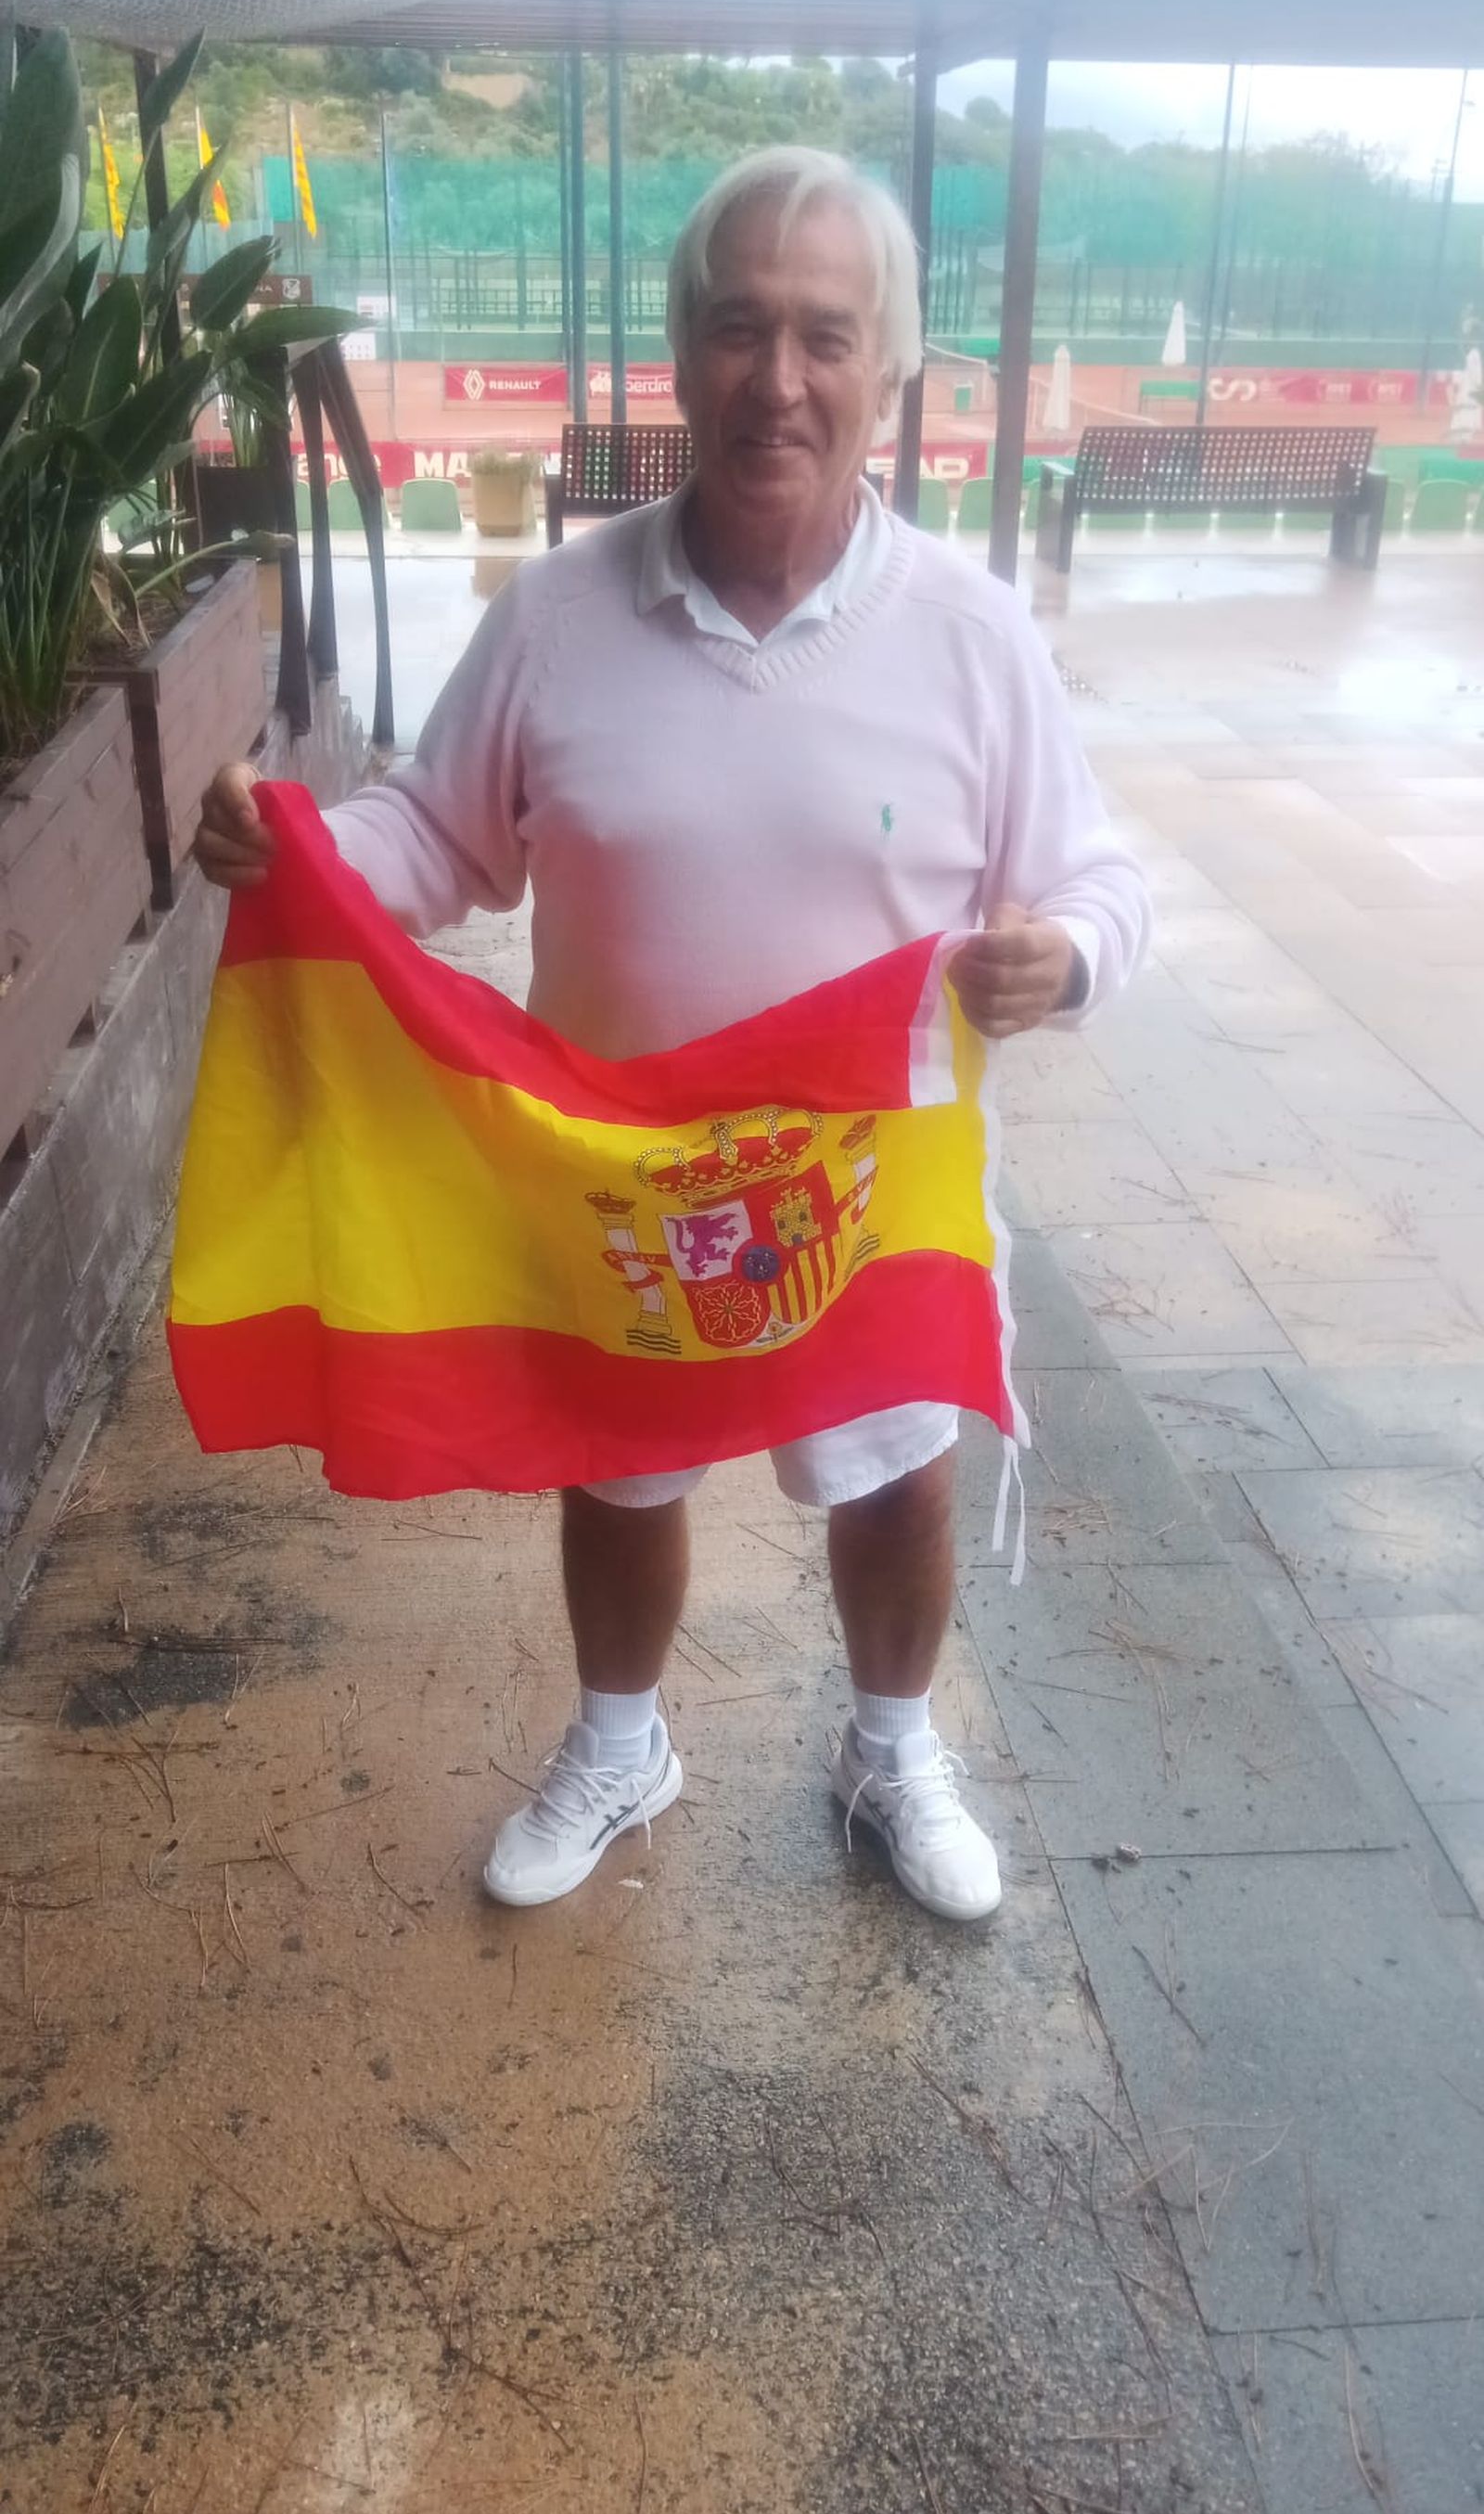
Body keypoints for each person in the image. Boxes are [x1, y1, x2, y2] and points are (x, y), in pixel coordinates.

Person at [194, 148, 1151, 1926]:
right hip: (619, 1180)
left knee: (894, 1484)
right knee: (619, 1477)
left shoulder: (971, 636)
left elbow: (1097, 876)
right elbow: (439, 834)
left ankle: (890, 1746)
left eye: (822, 336)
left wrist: (1068, 953)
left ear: (890, 373)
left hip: (863, 1186)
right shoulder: (560, 617)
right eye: (736, 330)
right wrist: (306, 853)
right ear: (680, 357)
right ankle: (624, 1742)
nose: (776, 379)